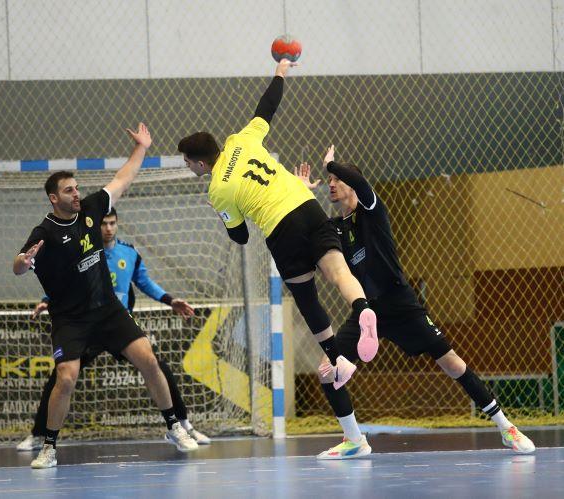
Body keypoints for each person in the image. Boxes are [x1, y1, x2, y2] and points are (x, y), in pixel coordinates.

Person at [292, 146, 536, 459]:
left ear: (351, 182)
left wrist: (331, 165)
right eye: (329, 180)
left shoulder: (371, 210)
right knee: (328, 370)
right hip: (366, 310)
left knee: (451, 363)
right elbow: (311, 227)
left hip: (400, 302)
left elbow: (362, 184)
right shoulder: (335, 228)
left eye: (337, 179)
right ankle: (355, 440)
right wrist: (302, 193)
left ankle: (506, 428)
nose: (331, 184)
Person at [177, 59, 377, 390]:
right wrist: (280, 72)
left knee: (307, 298)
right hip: (307, 205)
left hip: (282, 229)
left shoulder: (218, 189)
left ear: (200, 163)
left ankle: (337, 357)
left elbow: (240, 236)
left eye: (188, 163)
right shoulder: (240, 140)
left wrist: (220, 212)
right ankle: (362, 308)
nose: (188, 168)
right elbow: (267, 107)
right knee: (340, 273)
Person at [14, 123, 198, 469]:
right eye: (68, 190)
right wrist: (23, 262)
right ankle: (49, 447)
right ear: (54, 198)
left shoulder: (92, 209)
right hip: (70, 319)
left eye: (76, 188)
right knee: (65, 377)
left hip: (107, 310)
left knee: (148, 359)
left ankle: (174, 425)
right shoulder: (45, 232)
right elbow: (19, 265)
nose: (76, 194)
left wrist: (141, 147)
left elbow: (123, 179)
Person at [17, 207, 211, 451]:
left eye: (112, 223)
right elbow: (66, 283)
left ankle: (182, 425)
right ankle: (39, 434)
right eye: (104, 224)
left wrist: (170, 300)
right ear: (95, 225)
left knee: (156, 366)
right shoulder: (84, 250)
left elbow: (144, 282)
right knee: (61, 378)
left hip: (116, 324)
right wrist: (47, 300)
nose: (108, 229)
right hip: (86, 326)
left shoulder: (129, 253)